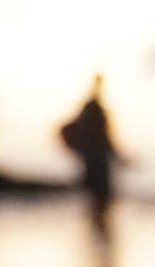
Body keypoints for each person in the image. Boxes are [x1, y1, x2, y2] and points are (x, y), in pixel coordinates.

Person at [60, 75, 123, 232]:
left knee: (97, 202)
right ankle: (96, 236)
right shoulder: (93, 109)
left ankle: (96, 235)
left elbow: (106, 139)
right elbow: (104, 138)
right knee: (98, 200)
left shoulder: (92, 109)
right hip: (96, 162)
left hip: (97, 161)